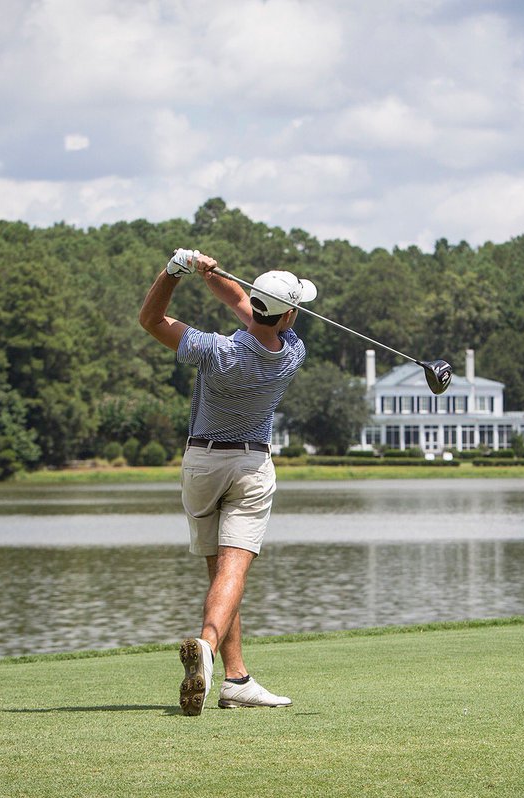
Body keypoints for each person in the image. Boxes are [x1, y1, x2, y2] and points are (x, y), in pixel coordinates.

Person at [138, 247, 316, 716]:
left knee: (220, 573)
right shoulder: (292, 351)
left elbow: (151, 320)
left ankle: (235, 679)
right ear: (289, 315)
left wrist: (176, 274)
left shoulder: (213, 350)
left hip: (202, 463)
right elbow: (250, 309)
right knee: (233, 573)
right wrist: (210, 276)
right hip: (252, 467)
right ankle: (208, 649)